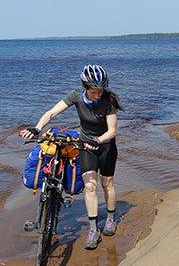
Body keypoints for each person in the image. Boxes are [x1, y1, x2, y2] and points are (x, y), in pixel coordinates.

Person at [21, 64, 123, 249]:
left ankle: (110, 219)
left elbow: (112, 131)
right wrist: (37, 128)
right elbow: (51, 113)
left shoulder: (108, 102)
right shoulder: (75, 96)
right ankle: (93, 230)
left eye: (100, 91)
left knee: (107, 184)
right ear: (85, 88)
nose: (97, 95)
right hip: (85, 146)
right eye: (94, 92)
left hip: (106, 147)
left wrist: (98, 140)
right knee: (90, 186)